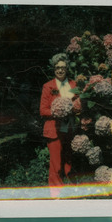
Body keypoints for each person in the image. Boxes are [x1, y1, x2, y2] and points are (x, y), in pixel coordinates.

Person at [39, 53, 77, 194]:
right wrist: (57, 112)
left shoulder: (74, 85)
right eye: (57, 68)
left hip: (70, 129)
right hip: (54, 129)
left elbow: (78, 105)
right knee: (56, 163)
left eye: (62, 67)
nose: (60, 70)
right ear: (53, 69)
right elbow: (43, 110)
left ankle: (72, 191)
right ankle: (56, 195)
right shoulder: (48, 86)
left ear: (67, 68)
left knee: (68, 161)